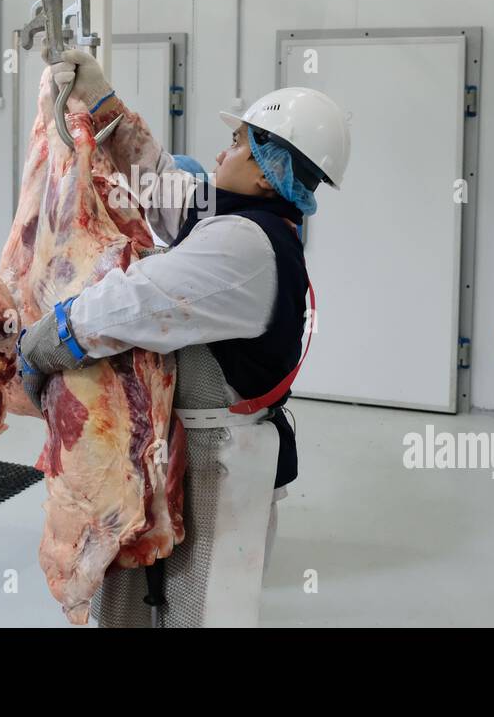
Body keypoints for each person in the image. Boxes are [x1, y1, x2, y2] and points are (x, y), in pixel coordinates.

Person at [18, 49, 351, 627]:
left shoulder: (246, 245)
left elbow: (132, 300)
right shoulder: (238, 220)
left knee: (197, 615)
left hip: (219, 466)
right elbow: (160, 183)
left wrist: (45, 341)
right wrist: (101, 104)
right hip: (183, 450)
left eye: (242, 142)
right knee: (146, 609)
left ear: (270, 168)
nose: (225, 150)